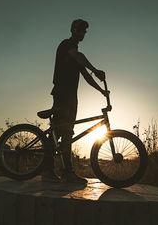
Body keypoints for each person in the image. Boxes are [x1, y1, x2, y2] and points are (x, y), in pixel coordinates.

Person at [41, 19, 108, 184]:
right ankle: (54, 171)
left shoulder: (76, 56)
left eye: (84, 31)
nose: (82, 34)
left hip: (71, 97)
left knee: (66, 133)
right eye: (79, 30)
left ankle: (63, 172)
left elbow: (86, 76)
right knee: (61, 131)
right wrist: (96, 69)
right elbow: (80, 57)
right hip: (63, 94)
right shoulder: (67, 45)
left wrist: (101, 91)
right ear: (72, 30)